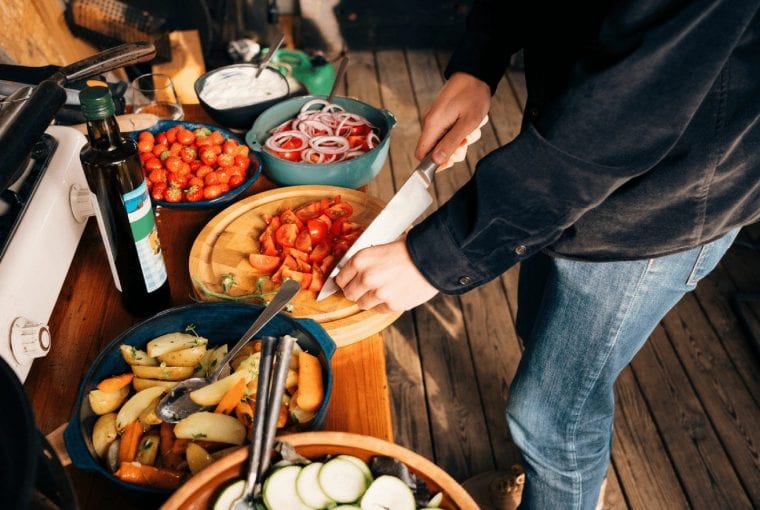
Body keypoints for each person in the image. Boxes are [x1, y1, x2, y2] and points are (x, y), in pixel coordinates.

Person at [333, 0, 760, 508]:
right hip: (561, 171)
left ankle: (565, 487)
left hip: (660, 203)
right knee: (536, 331)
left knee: (550, 415)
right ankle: (566, 481)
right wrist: (479, 61)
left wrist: (436, 258)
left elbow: (625, 115)